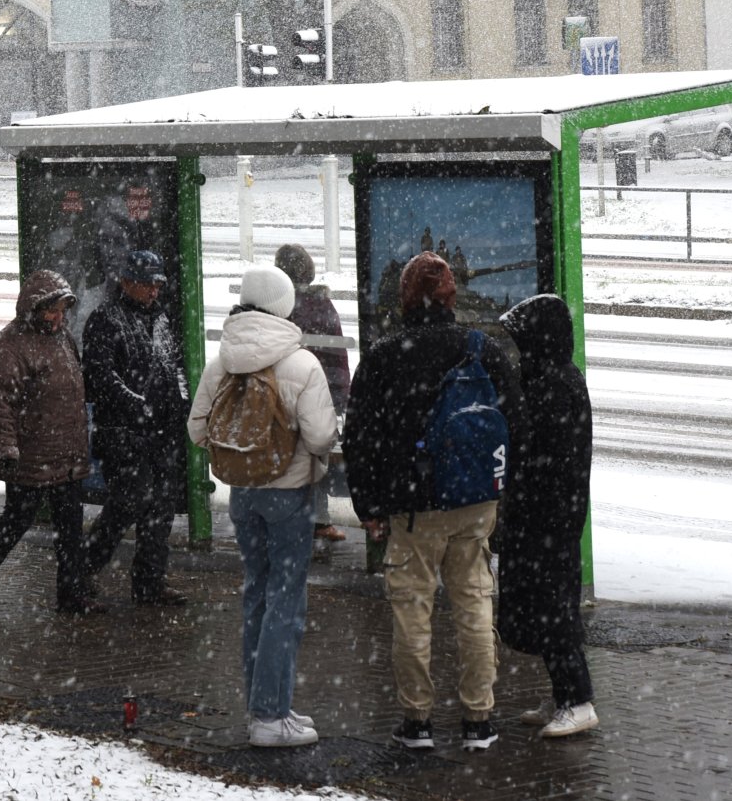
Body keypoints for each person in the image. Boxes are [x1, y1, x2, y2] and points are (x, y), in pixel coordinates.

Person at [343, 251, 521, 753]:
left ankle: (418, 721)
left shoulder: (384, 355)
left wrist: (370, 506)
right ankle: (478, 720)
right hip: (475, 500)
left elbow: (360, 436)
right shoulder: (481, 349)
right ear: (450, 297)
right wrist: (503, 495)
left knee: (411, 610)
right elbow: (515, 426)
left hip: (413, 507)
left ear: (404, 298)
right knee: (473, 604)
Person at [188, 264, 339, 749]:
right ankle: (272, 716)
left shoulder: (222, 362)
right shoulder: (301, 364)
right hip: (289, 495)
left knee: (256, 592)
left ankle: (261, 709)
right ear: (283, 305)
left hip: (243, 496)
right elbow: (319, 436)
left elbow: (197, 430)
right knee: (286, 602)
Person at [496, 293, 598, 739]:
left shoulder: (554, 385)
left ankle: (578, 700)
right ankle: (563, 694)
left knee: (555, 610)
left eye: (524, 340)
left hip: (549, 519)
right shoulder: (549, 377)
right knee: (545, 609)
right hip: (543, 516)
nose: (519, 350)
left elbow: (543, 456)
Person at [0, 269, 98, 615]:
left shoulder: (62, 337)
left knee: (70, 528)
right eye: (51, 310)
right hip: (31, 455)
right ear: (34, 308)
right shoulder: (9, 347)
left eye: (61, 311)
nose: (57, 318)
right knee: (16, 522)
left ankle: (71, 595)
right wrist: (5, 450)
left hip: (67, 453)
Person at [82, 249, 190, 607]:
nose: (154, 291)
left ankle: (149, 582)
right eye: (147, 284)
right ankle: (84, 571)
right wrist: (136, 405)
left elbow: (174, 365)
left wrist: (181, 402)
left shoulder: (160, 317)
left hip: (161, 432)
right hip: (123, 434)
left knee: (160, 510)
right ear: (126, 283)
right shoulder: (106, 319)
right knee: (125, 506)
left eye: (158, 284)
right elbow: (100, 375)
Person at [273, 244, 351, 544]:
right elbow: (338, 357)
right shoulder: (321, 304)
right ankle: (319, 521)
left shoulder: (280, 304)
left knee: (289, 454)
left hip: (285, 396)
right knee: (316, 453)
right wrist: (339, 396)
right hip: (321, 394)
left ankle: (292, 519)